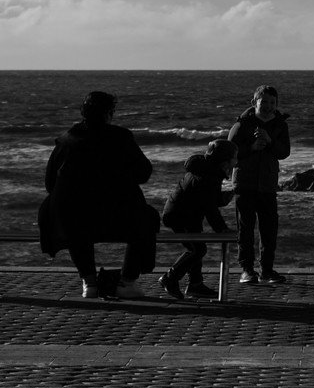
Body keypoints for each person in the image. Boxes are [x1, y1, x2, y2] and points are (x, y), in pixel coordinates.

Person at [39, 91, 159, 299]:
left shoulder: (67, 140)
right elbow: (144, 172)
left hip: (73, 218)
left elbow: (50, 182)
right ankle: (127, 281)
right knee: (148, 218)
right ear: (108, 113)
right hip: (118, 214)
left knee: (74, 221)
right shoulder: (121, 137)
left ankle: (89, 282)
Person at [228, 84, 291, 286]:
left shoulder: (280, 125)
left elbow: (284, 152)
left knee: (269, 229)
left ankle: (266, 270)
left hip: (267, 184)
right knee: (245, 229)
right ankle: (247, 270)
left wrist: (270, 142)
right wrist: (252, 148)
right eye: (264, 102)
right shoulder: (242, 124)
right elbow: (230, 153)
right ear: (255, 102)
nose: (268, 106)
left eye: (272, 102)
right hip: (245, 183)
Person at [158, 138, 236, 300]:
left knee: (196, 248)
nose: (236, 161)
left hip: (187, 214)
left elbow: (205, 199)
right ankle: (169, 278)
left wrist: (222, 199)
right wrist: (221, 229)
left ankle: (195, 284)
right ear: (224, 160)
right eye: (234, 157)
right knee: (197, 249)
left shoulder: (207, 170)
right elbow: (209, 207)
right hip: (180, 216)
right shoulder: (209, 175)